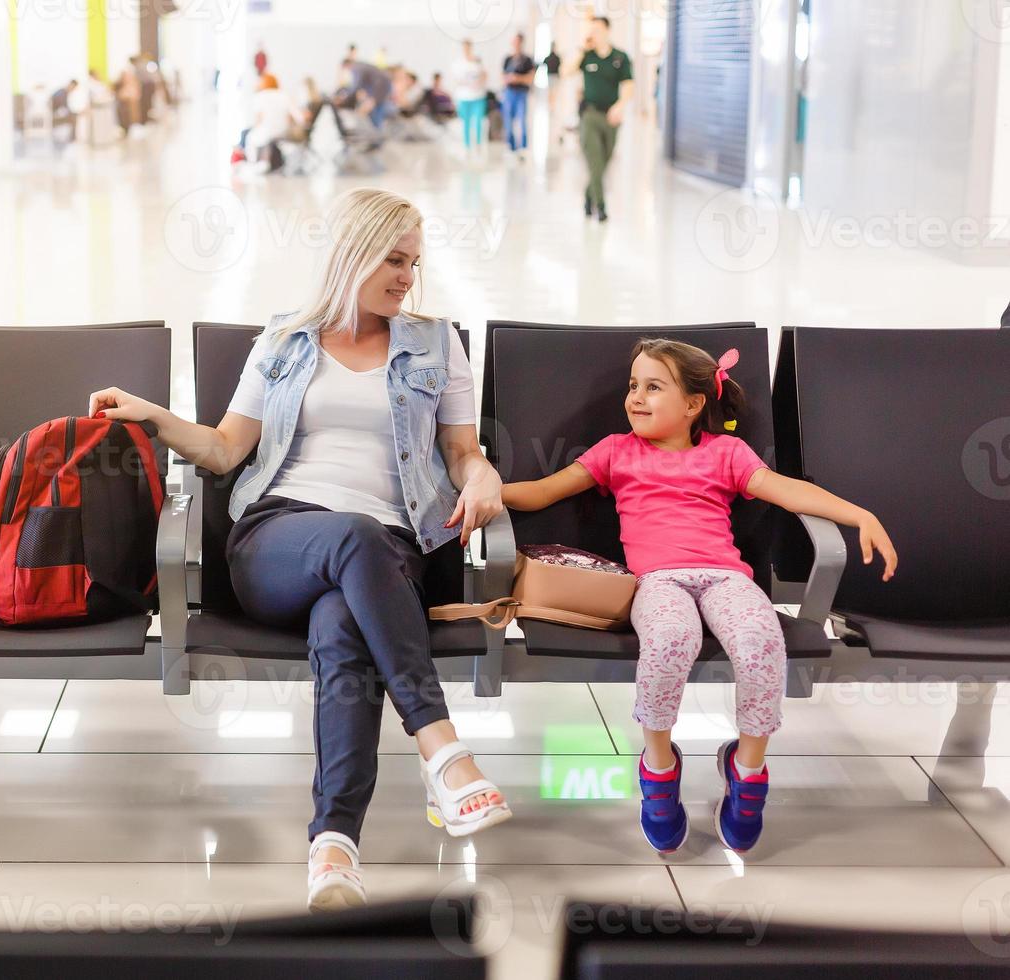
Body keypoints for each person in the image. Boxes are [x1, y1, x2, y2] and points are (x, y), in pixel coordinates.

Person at [88, 189, 512, 911]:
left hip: (391, 552)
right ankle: (441, 745)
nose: (408, 275)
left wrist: (485, 477)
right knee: (349, 535)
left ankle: (333, 848)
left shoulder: (438, 343)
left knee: (344, 626)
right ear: (352, 253)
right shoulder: (285, 341)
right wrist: (156, 418)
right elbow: (225, 450)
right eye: (393, 258)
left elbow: (462, 451)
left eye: (415, 261)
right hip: (277, 540)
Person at [501, 339, 898, 854]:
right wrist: (486, 488)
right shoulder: (616, 451)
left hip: (726, 578)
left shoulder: (725, 452)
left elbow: (787, 489)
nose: (635, 398)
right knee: (669, 641)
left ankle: (748, 768)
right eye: (632, 386)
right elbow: (542, 491)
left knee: (760, 642)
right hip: (656, 581)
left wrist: (859, 515)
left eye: (653, 387)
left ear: (693, 405)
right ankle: (659, 767)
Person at [564, 16, 633, 222]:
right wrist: (581, 49)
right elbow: (566, 71)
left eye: (598, 29)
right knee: (594, 160)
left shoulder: (620, 57)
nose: (594, 33)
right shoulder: (586, 56)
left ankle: (588, 196)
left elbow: (629, 85)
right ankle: (600, 206)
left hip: (611, 117)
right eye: (591, 29)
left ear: (607, 31)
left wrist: (619, 107)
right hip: (590, 115)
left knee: (604, 162)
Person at [246, 73, 302, 173]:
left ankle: (254, 163)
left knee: (250, 137)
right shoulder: (284, 95)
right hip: (282, 132)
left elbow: (258, 120)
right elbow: (297, 118)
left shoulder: (260, 96)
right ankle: (266, 162)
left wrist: (254, 128)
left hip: (265, 132)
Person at [500, 33, 536, 157]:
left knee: (522, 120)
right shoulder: (507, 59)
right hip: (509, 93)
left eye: (518, 42)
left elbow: (530, 79)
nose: (516, 44)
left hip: (521, 93)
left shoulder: (527, 60)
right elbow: (503, 77)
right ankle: (511, 147)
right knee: (508, 121)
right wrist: (509, 79)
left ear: (521, 43)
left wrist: (517, 78)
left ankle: (523, 148)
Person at [449, 39, 487, 152]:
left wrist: (479, 82)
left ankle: (479, 145)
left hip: (478, 96)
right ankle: (467, 146)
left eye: (468, 47)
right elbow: (456, 79)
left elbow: (484, 75)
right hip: (464, 97)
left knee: (478, 121)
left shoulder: (477, 61)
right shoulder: (458, 63)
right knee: (466, 123)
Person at [341, 56, 393, 128]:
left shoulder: (356, 68)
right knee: (376, 110)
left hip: (380, 86)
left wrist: (346, 96)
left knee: (367, 110)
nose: (348, 70)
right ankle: (377, 129)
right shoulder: (362, 65)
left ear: (347, 65)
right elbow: (362, 85)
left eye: (346, 68)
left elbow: (356, 85)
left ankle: (376, 131)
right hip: (383, 85)